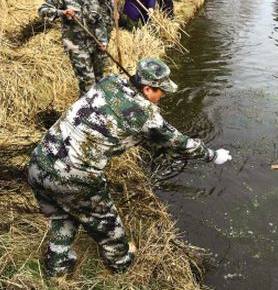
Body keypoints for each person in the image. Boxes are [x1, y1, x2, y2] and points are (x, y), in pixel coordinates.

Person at [28, 57, 233, 277]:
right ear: (147, 88)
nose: (162, 96)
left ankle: (57, 265)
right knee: (108, 226)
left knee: (62, 215)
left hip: (39, 162)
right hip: (74, 178)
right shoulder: (145, 115)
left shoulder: (109, 82)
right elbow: (180, 143)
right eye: (160, 91)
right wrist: (212, 156)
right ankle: (122, 267)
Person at [39, 0, 108, 97]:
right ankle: (86, 112)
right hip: (77, 46)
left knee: (99, 80)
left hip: (96, 44)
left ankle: (100, 110)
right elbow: (42, 10)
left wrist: (103, 40)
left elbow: (99, 20)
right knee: (87, 82)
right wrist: (62, 12)